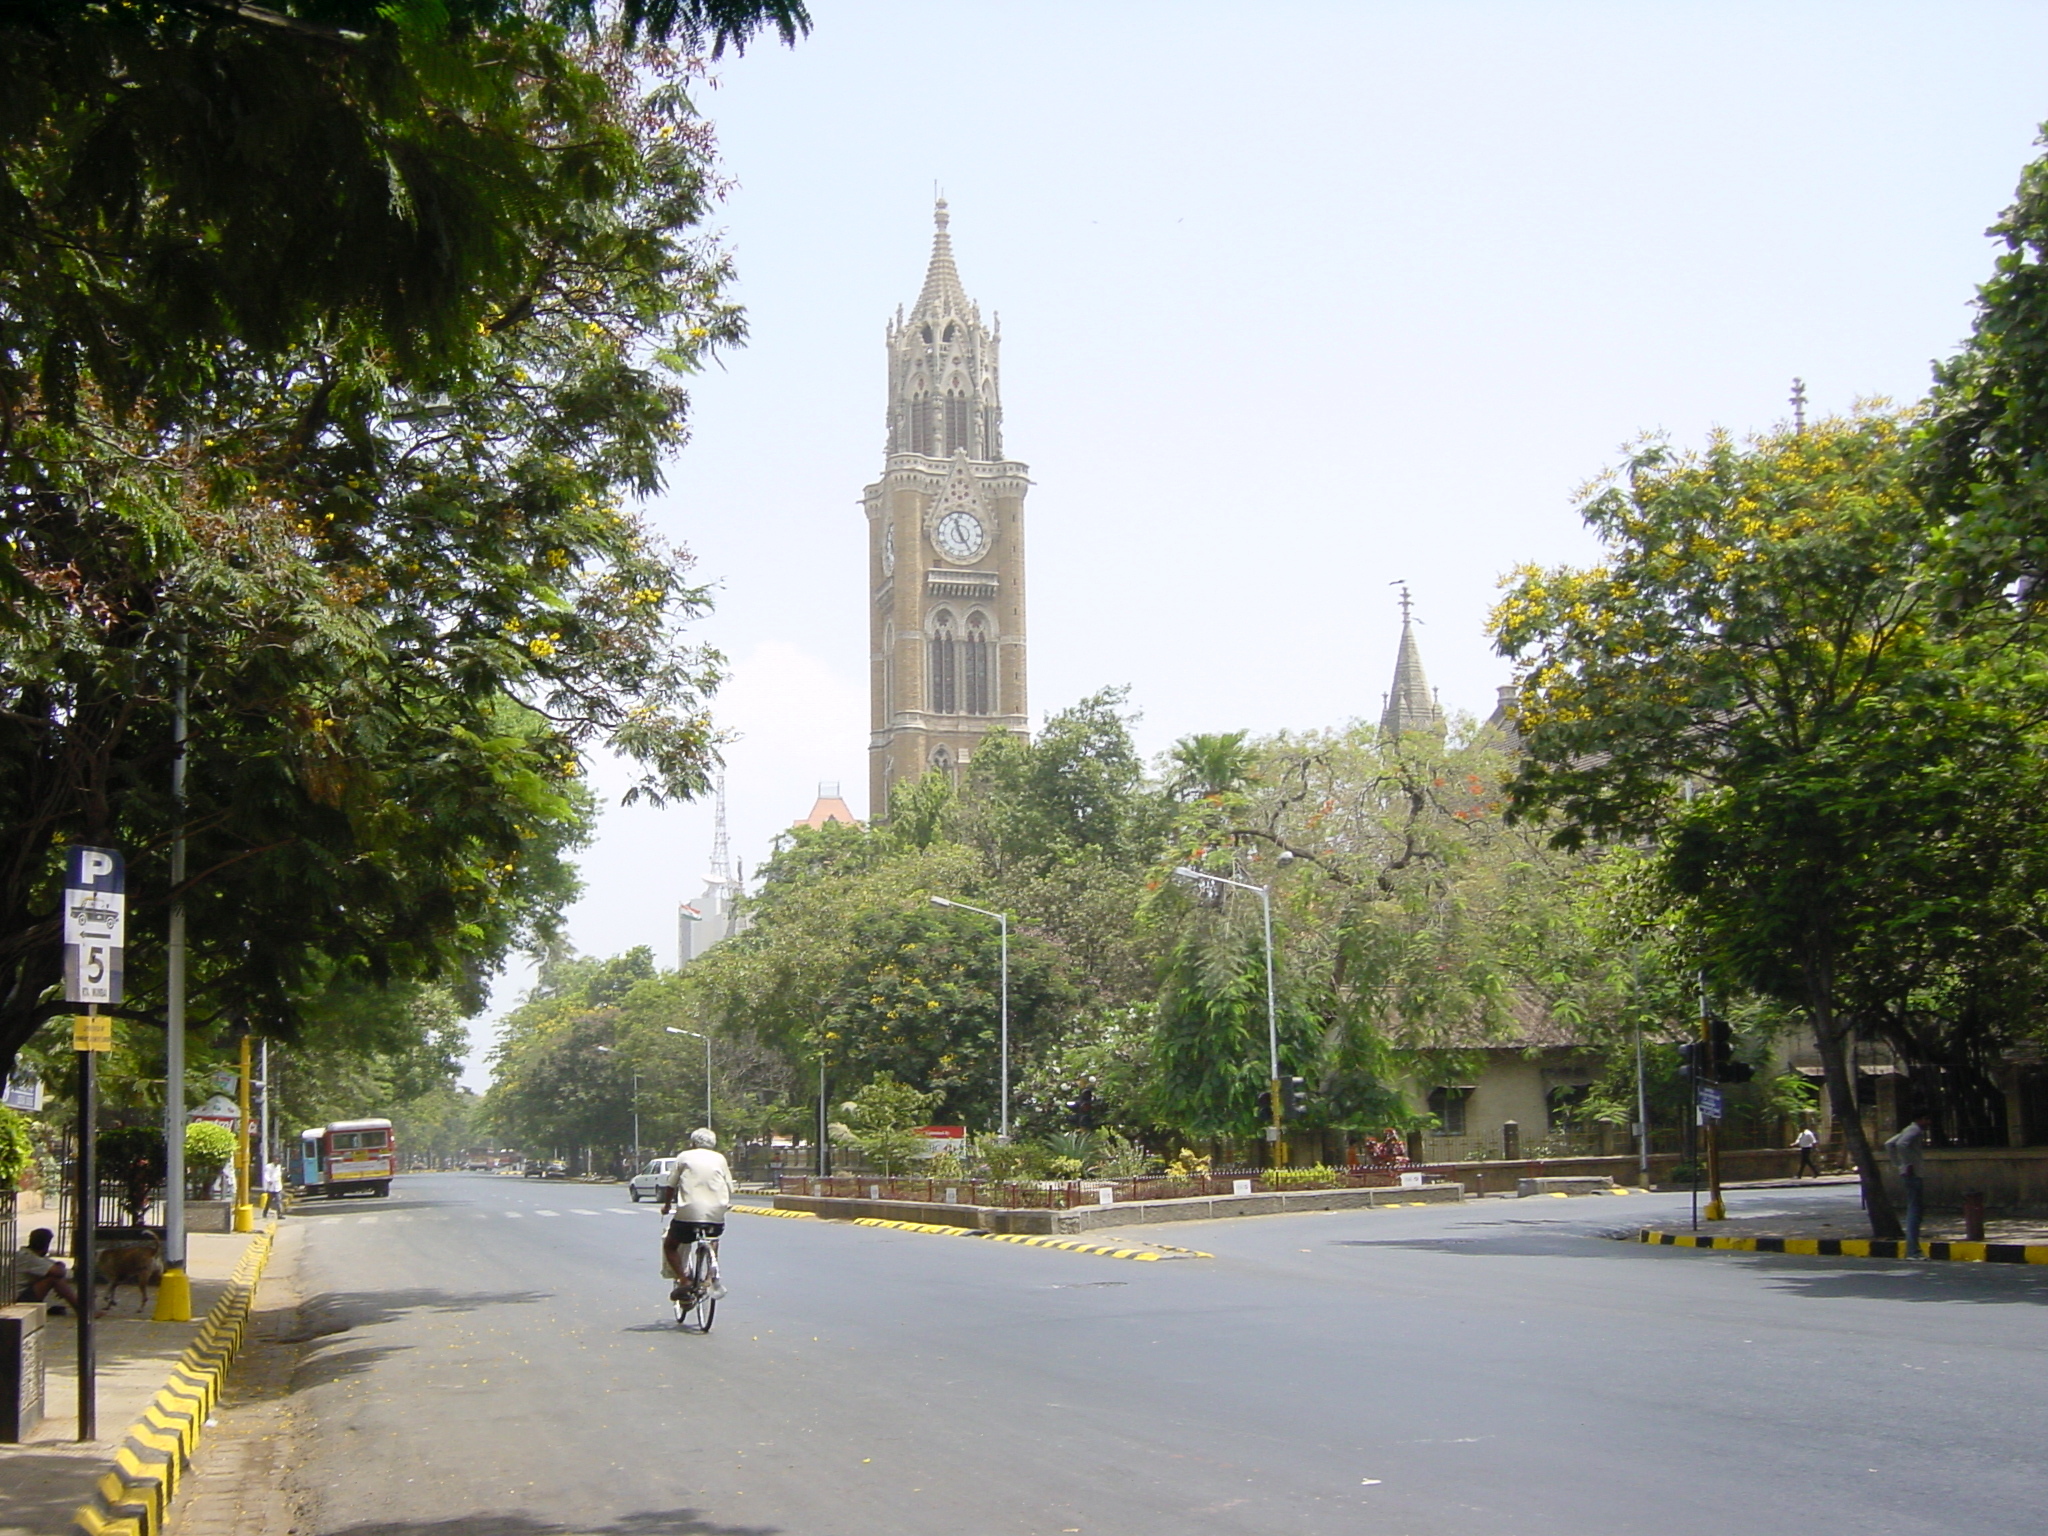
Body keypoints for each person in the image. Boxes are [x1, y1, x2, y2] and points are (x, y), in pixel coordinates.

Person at [660, 1128, 733, 1302]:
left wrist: (667, 1206)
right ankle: (709, 1277)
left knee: (670, 1245)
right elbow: (730, 1186)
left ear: (693, 1143)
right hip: (716, 1214)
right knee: (712, 1238)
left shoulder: (684, 1157)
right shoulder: (720, 1159)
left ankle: (684, 1280)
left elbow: (671, 1185)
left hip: (688, 1214)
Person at [1884, 1115, 1933, 1258]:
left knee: (1915, 1209)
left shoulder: (1908, 1129)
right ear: (1921, 1119)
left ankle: (1912, 1249)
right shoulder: (1915, 1130)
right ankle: (1913, 1250)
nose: (1929, 1122)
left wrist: (1898, 1165)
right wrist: (1907, 1164)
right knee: (1915, 1211)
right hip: (1914, 1174)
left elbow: (1889, 1144)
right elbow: (1900, 1144)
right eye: (1927, 1119)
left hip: (1908, 1173)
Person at [15, 1227, 93, 1316]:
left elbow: (56, 1265)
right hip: (18, 1299)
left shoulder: (30, 1255)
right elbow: (59, 1272)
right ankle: (82, 1310)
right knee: (54, 1279)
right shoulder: (29, 1258)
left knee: (54, 1276)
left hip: (22, 1294)